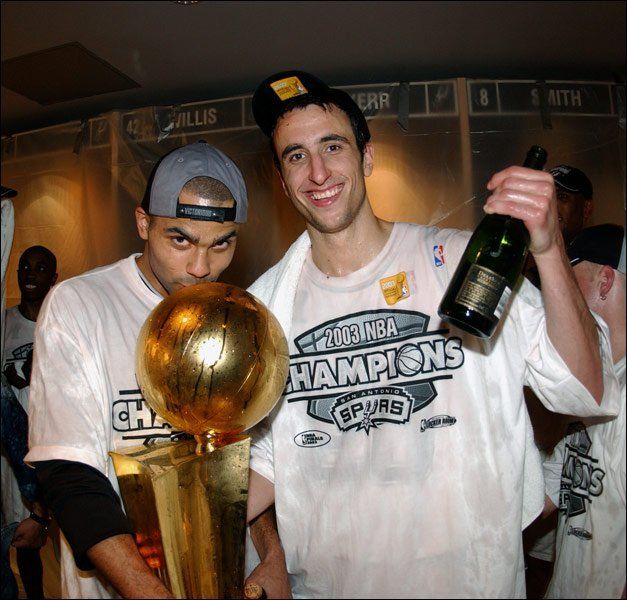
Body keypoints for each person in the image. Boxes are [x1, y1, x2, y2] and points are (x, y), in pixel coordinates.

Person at [243, 70, 620, 598]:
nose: (318, 172)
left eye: (332, 146)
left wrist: (550, 247)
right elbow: (267, 460)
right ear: (282, 181)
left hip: (470, 582)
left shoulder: (461, 264)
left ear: (367, 156)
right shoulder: (264, 309)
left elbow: (585, 390)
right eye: (296, 156)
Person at [24, 141, 279, 599]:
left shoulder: (235, 313)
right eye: (180, 239)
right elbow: (69, 476)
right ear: (143, 223)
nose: (201, 267)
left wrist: (272, 555)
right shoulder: (81, 305)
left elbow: (246, 456)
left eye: (221, 243)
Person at [541, 223, 625, 599]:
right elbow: (550, 487)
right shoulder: (591, 382)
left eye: (569, 274)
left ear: (604, 282)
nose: (554, 290)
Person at [2, 245, 57, 599]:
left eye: (40, 268)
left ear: (53, 277)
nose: (30, 274)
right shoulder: (5, 322)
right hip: (16, 454)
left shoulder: (61, 322)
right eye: (24, 267)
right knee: (25, 537)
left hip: (55, 444)